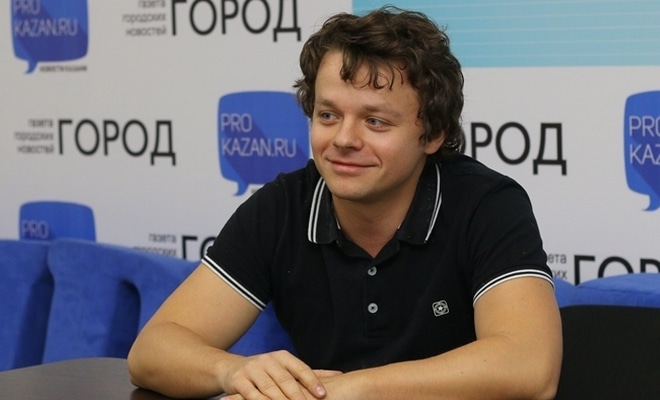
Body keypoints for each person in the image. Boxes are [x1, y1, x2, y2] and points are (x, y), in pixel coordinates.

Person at [127, 6, 562, 400]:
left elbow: (529, 366)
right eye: (328, 115)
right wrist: (235, 372)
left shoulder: (486, 204)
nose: (344, 139)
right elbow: (152, 350)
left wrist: (353, 388)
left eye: (375, 121)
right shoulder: (283, 207)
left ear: (432, 134)